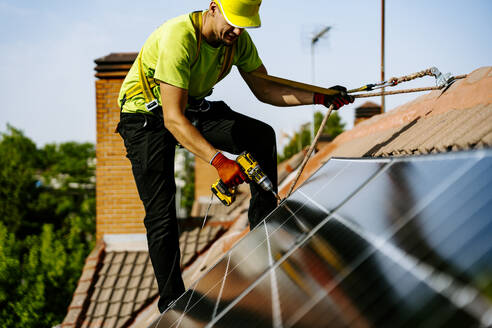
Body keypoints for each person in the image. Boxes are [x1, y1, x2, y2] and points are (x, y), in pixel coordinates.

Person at [116, 0, 354, 313]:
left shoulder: (237, 40)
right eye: (233, 21)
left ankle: (264, 231)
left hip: (188, 107)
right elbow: (173, 120)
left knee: (260, 136)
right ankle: (172, 302)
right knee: (161, 211)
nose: (238, 29)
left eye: (245, 23)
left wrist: (318, 96)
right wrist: (220, 161)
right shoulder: (179, 37)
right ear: (213, 8)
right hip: (145, 118)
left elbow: (266, 90)